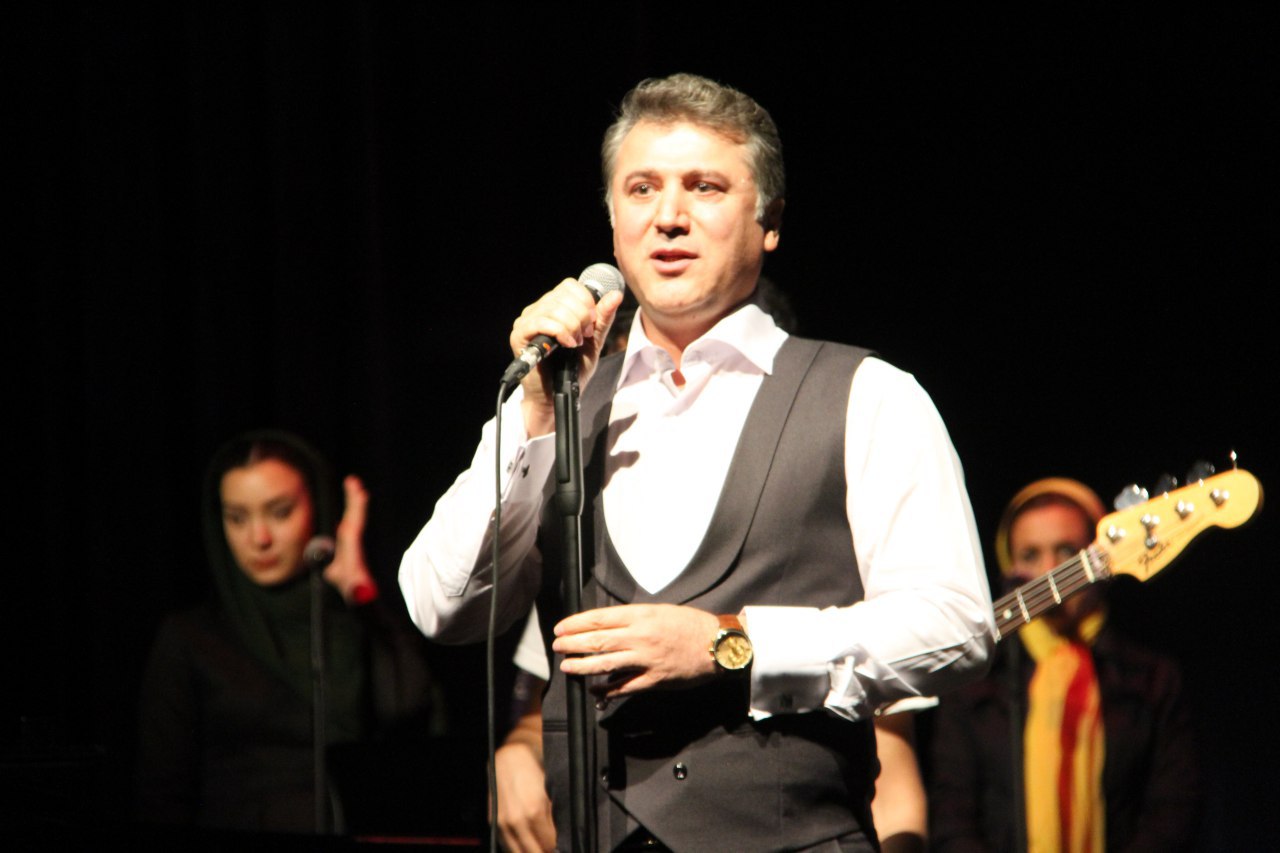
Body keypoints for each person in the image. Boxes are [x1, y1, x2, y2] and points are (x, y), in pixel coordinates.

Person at [400, 72, 994, 851]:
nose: (669, 216)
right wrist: (533, 413)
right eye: (642, 188)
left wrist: (732, 645)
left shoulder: (869, 394)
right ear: (613, 221)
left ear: (768, 222)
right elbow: (442, 605)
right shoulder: (561, 404)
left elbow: (956, 624)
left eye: (704, 187)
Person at [137, 430, 441, 834]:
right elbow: (162, 795)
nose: (259, 538)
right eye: (237, 518)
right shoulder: (193, 638)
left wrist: (359, 593)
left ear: (317, 506)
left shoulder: (352, 621)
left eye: (280, 512)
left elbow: (413, 718)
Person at [928, 478, 1200, 852]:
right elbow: (951, 817)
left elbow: (1173, 810)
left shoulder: (1151, 679)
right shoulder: (975, 685)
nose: (1050, 571)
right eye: (1030, 556)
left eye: (1067, 552)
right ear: (1009, 567)